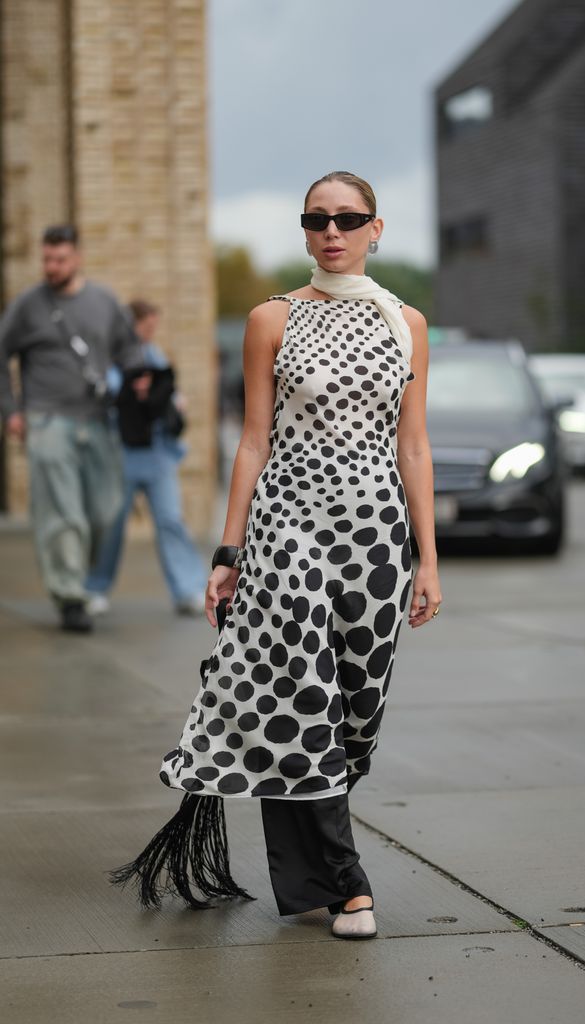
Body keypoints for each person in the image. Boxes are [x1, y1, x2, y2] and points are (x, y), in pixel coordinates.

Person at [110, 171, 442, 941]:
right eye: (317, 219)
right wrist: (229, 548)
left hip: (376, 540)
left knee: (354, 714)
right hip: (287, 530)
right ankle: (349, 884)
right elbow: (253, 440)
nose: (333, 231)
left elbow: (414, 444)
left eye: (349, 218)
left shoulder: (408, 324)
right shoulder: (273, 319)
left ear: (376, 228)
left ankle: (305, 880)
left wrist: (427, 559)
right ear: (304, 230)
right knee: (305, 695)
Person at [0, 225, 142, 632]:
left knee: (106, 510)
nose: (51, 267)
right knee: (65, 515)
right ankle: (69, 597)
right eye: (46, 259)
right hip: (46, 419)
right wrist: (10, 409)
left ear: (77, 257)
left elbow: (128, 348)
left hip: (97, 419)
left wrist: (139, 381)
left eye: (59, 259)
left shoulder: (103, 301)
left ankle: (78, 578)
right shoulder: (27, 305)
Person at [86, 300, 207, 616]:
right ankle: (94, 588)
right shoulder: (112, 358)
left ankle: (188, 589)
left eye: (154, 326)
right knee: (112, 523)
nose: (150, 332)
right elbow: (108, 393)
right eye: (146, 326)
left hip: (158, 454)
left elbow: (166, 391)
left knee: (171, 520)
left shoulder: (155, 355)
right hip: (121, 454)